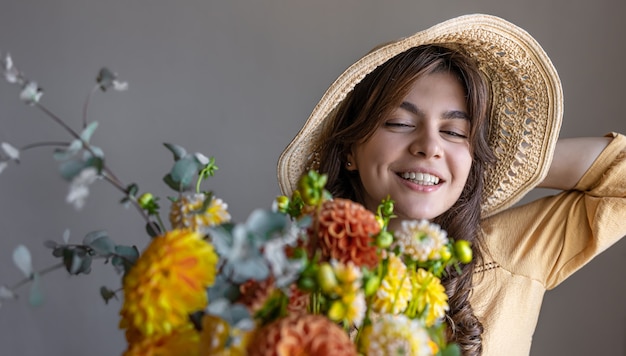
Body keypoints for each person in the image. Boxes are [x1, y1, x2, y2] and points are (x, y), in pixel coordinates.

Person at [276, 14, 626, 356]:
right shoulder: (292, 278)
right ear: (351, 149)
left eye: (454, 133)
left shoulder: (509, 252)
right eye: (399, 123)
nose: (429, 146)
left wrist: (504, 167)